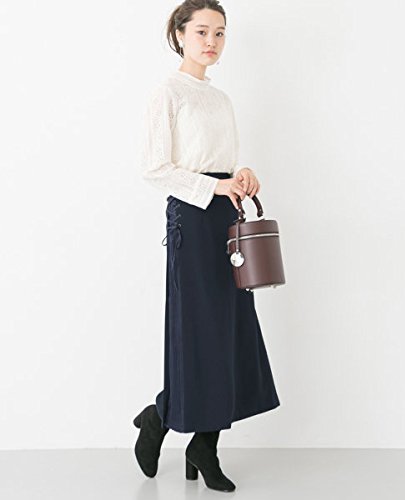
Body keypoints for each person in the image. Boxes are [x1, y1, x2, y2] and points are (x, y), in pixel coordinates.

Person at [133, 1, 280, 492]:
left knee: (230, 331)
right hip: (192, 220)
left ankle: (200, 441)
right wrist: (215, 186)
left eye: (219, 32)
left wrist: (242, 174)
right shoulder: (168, 92)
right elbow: (156, 168)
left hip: (225, 218)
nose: (211, 41)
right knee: (197, 332)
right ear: (179, 34)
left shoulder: (221, 99)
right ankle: (162, 418)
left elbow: (222, 163)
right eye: (201, 31)